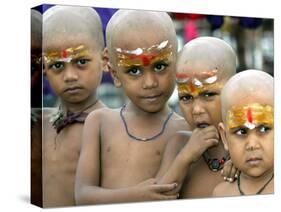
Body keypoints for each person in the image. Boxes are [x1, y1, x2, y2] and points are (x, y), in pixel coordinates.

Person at [75, 9, 189, 205]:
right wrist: (137, 196)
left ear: (176, 62)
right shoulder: (99, 122)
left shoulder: (184, 130)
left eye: (160, 66)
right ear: (114, 72)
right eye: (134, 70)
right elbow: (83, 196)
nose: (150, 82)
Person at [155, 37, 237, 198]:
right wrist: (186, 157)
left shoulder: (249, 142)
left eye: (208, 94)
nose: (197, 109)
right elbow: (155, 200)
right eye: (186, 97)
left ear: (233, 89)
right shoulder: (179, 145)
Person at [42, 5, 106, 207]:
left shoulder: (114, 127)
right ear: (44, 68)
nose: (70, 76)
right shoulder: (38, 124)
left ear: (105, 60)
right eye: (57, 65)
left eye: (81, 61)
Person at [212, 70, 274, 197]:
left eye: (263, 129)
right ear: (224, 137)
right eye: (241, 131)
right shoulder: (221, 195)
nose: (252, 144)